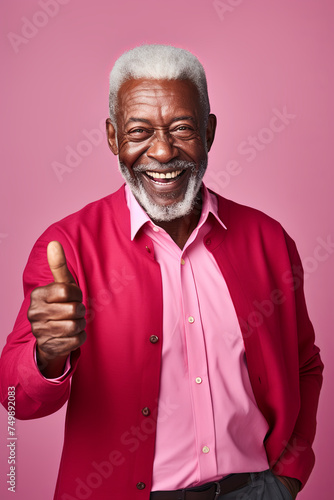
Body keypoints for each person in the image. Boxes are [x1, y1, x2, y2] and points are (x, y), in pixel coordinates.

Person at [0, 45, 323, 500]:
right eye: (139, 131)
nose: (163, 151)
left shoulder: (268, 240)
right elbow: (15, 396)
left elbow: (304, 362)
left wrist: (288, 476)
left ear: (209, 132)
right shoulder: (68, 246)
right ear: (113, 138)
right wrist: (47, 356)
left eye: (182, 128)